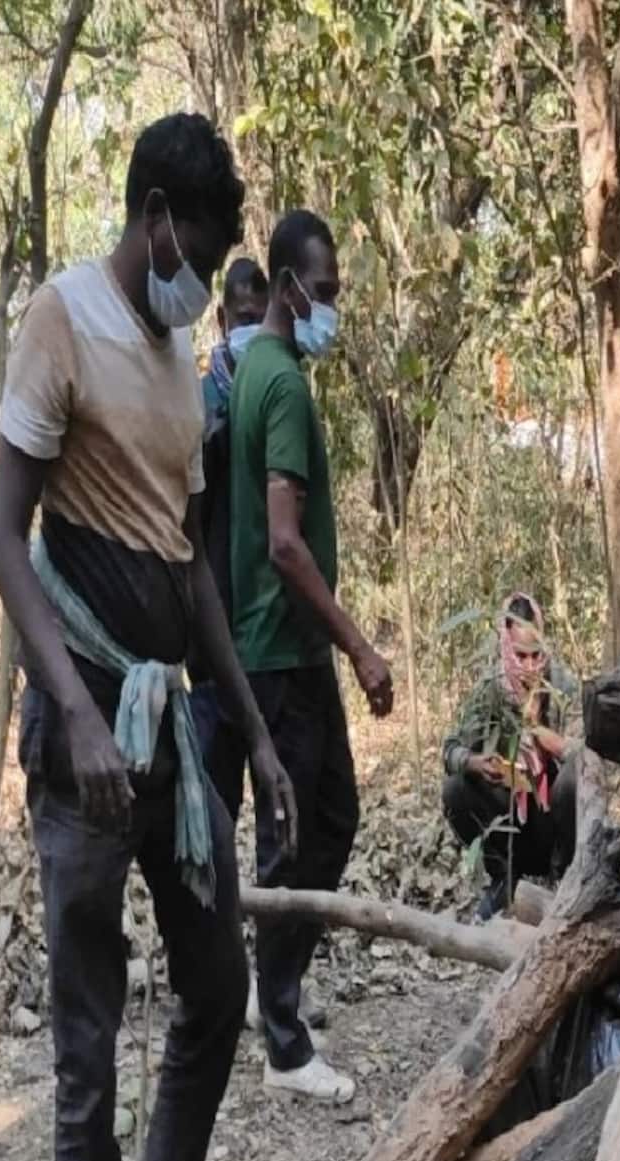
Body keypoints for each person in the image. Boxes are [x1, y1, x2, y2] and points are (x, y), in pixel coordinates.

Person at [0, 112, 297, 1161]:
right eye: (204, 250)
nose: (207, 282)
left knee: (217, 981)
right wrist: (69, 714)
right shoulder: (61, 320)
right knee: (88, 1021)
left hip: (171, 732)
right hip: (89, 738)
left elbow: (194, 563)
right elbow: (6, 542)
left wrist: (257, 736)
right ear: (156, 216)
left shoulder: (179, 359)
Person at [220, 208, 393, 1105]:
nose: (332, 306)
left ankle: (271, 986)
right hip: (283, 651)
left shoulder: (256, 365)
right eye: (323, 292)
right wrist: (359, 644)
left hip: (282, 651)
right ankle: (283, 1042)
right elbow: (285, 545)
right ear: (288, 286)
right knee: (295, 836)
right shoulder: (280, 383)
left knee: (330, 817)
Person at [442, 593, 580, 922]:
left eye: (537, 656)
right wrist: (476, 764)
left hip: (555, 825)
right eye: (521, 656)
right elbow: (450, 749)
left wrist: (548, 739)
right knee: (454, 788)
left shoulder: (562, 685)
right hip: (509, 820)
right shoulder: (490, 689)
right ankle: (504, 878)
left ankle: (563, 876)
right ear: (506, 648)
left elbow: (588, 752)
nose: (530, 666)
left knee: (575, 776)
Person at [189, 258, 268, 791]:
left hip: (264, 631)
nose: (251, 331)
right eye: (243, 319)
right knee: (216, 791)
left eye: (261, 320)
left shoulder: (275, 398)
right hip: (210, 625)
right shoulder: (198, 402)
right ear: (221, 320)